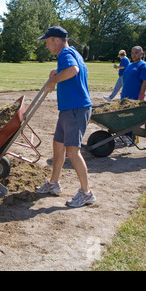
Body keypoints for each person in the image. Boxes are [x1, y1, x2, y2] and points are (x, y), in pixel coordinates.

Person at [35, 26, 95, 208]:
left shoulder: (64, 54)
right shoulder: (72, 52)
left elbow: (74, 70)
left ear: (56, 40)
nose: (47, 46)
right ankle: (53, 183)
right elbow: (73, 69)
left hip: (76, 109)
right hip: (70, 109)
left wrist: (52, 81)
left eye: (47, 42)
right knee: (58, 145)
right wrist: (57, 71)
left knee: (72, 151)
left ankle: (86, 193)